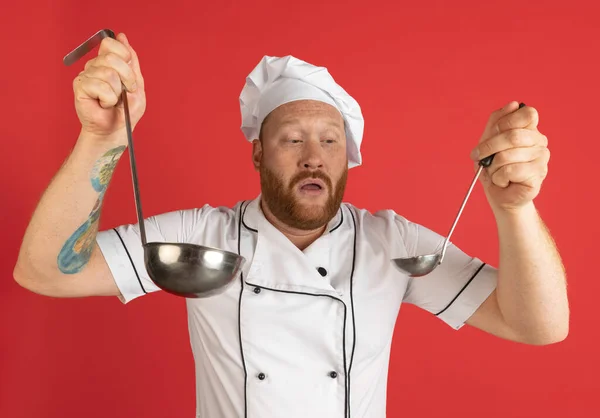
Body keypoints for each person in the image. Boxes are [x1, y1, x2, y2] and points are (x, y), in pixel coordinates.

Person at [13, 32, 569, 418]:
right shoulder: (202, 237)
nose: (312, 156)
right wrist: (102, 138)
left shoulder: (391, 243)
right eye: (291, 138)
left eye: (330, 141)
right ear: (257, 154)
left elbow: (537, 325)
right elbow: (46, 273)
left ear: (346, 158)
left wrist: (513, 210)